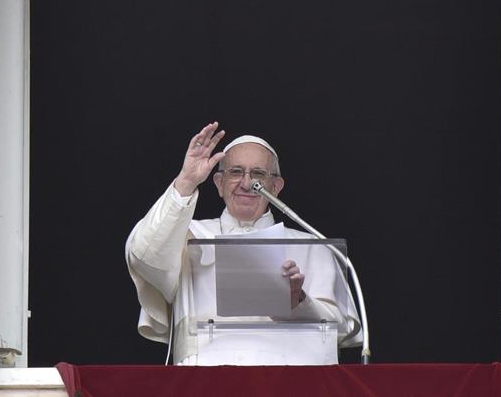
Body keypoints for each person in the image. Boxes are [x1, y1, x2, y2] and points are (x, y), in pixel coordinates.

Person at [125, 122, 360, 365]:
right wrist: (186, 181)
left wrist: (299, 302)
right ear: (218, 183)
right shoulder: (187, 236)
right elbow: (143, 255)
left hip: (290, 381)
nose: (247, 183)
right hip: (203, 381)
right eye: (236, 172)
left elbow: (341, 328)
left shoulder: (313, 246)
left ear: (276, 187)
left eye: (258, 174)